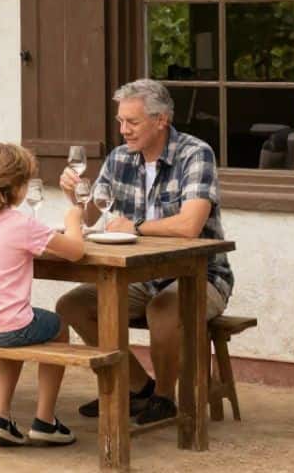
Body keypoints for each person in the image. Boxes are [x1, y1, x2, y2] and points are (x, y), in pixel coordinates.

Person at [54, 79, 234, 426]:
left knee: (163, 308)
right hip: (140, 276)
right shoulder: (119, 158)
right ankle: (138, 387)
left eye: (132, 122)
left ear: (161, 120)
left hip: (201, 275)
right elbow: (90, 216)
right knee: (72, 305)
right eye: (120, 121)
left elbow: (190, 225)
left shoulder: (195, 154)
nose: (123, 130)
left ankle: (165, 398)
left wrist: (134, 227)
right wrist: (74, 195)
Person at [0, 142, 85, 447]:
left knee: (12, 324)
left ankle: (0, 418)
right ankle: (45, 420)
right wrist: (73, 220)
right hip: (6, 327)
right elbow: (76, 251)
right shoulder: (23, 225)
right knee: (56, 327)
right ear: (19, 187)